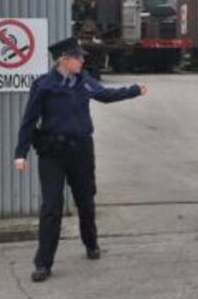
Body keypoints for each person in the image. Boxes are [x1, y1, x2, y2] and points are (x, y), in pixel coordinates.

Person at [14, 37, 147, 282]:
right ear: (64, 60)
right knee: (51, 207)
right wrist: (20, 154)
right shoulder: (43, 86)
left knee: (85, 201)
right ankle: (43, 263)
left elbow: (105, 95)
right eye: (78, 57)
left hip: (81, 151)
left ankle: (91, 243)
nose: (83, 60)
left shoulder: (83, 82)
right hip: (53, 153)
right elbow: (29, 121)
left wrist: (134, 90)